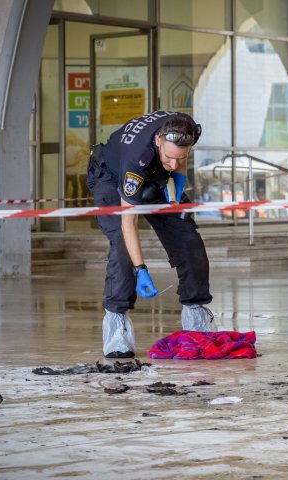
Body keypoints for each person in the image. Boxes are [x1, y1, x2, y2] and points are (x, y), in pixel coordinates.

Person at [86, 110, 216, 358]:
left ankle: (197, 322)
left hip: (156, 177)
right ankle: (117, 330)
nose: (175, 163)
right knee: (123, 248)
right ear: (158, 140)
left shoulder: (188, 128)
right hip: (112, 177)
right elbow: (128, 225)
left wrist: (176, 190)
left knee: (188, 238)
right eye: (170, 157)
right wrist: (140, 270)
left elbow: (177, 161)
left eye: (181, 158)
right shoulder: (136, 160)